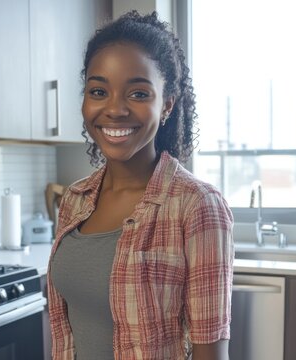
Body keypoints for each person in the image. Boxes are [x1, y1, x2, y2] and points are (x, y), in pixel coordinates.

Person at [47, 11, 233, 360]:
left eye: (138, 93)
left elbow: (211, 352)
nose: (114, 109)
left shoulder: (197, 205)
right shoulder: (74, 200)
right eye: (99, 90)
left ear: (167, 105)